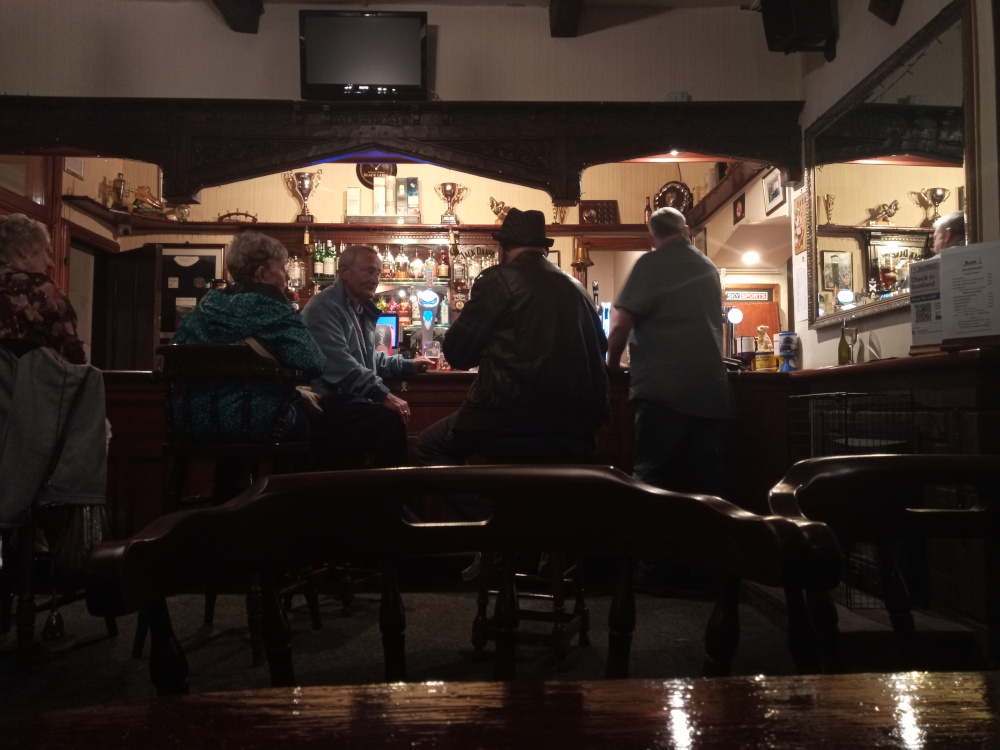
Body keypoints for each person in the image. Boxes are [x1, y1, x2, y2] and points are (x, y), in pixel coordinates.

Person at [416, 208, 609, 466]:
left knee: (430, 444)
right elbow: (601, 348)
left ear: (502, 248)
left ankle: (482, 508)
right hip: (576, 426)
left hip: (509, 419)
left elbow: (458, 354)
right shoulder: (576, 288)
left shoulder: (497, 280)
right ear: (545, 250)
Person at [607, 207, 731, 497]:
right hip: (710, 390)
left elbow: (620, 325)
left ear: (652, 238)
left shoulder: (650, 264)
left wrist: (612, 364)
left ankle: (654, 542)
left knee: (653, 478)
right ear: (686, 231)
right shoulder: (708, 266)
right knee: (705, 482)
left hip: (663, 392)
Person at [171, 231, 326, 443]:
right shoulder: (274, 312)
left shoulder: (202, 312)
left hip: (190, 423)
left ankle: (231, 477)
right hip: (255, 422)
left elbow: (172, 356)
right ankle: (275, 477)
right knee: (306, 425)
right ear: (262, 273)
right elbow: (314, 362)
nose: (287, 276)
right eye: (282, 268)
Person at [301, 244, 430, 467]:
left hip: (351, 399)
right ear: (344, 271)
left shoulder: (359, 308)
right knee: (389, 420)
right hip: (327, 402)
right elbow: (339, 365)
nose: (375, 279)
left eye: (378, 273)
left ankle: (382, 496)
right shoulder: (324, 307)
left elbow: (369, 360)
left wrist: (408, 364)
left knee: (385, 421)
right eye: (368, 271)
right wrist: (383, 395)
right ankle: (392, 497)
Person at [0, 213, 87, 364]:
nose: (51, 263)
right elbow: (73, 353)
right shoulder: (37, 287)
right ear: (25, 251)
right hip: (29, 384)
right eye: (47, 251)